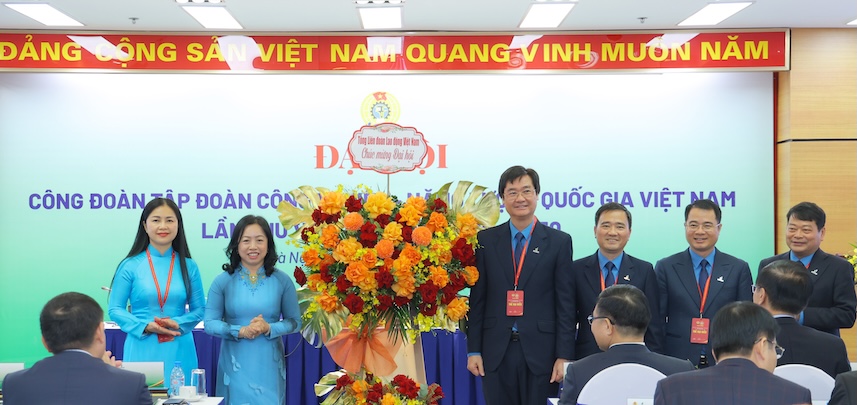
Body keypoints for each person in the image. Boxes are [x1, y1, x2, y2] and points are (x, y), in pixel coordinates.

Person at [467, 165, 574, 405]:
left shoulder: (558, 242)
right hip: (495, 351)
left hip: (542, 352)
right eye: (512, 192)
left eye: (526, 191)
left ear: (537, 195)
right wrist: (473, 350)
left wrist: (564, 356)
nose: (520, 198)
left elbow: (565, 303)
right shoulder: (485, 241)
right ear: (503, 198)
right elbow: (478, 299)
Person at [204, 215, 301, 404]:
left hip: (269, 366)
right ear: (236, 245)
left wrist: (269, 328)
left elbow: (295, 322)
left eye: (259, 240)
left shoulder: (282, 280)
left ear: (268, 244)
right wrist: (239, 330)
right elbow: (209, 324)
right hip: (234, 366)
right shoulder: (222, 281)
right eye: (246, 241)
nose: (253, 247)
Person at [108, 197, 205, 381]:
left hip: (179, 345)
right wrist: (144, 326)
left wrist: (178, 323)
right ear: (145, 225)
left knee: (182, 398)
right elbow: (115, 309)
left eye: (169, 220)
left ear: (178, 225)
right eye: (156, 220)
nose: (163, 226)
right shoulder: (130, 265)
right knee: (145, 398)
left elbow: (200, 310)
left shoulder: (189, 266)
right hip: (142, 346)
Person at [2, 292, 152, 404]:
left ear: (45, 342)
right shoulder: (131, 384)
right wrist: (113, 374)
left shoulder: (14, 384)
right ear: (100, 332)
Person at [654, 199, 753, 367]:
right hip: (676, 359)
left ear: (719, 228)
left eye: (707, 225)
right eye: (693, 225)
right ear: (685, 226)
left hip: (724, 358)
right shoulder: (666, 267)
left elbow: (745, 321)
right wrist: (658, 358)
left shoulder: (738, 268)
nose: (700, 231)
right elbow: (657, 320)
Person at [653, 302, 812, 405]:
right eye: (775, 349)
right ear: (762, 346)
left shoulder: (670, 389)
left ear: (714, 352)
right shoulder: (795, 396)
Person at [559, 285, 693, 405]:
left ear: (607, 326)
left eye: (592, 319)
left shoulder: (579, 371)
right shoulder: (681, 370)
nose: (592, 325)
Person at [570, 202, 664, 359]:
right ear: (595, 230)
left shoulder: (644, 270)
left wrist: (653, 360)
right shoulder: (576, 269)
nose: (612, 232)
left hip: (633, 359)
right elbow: (567, 318)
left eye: (620, 226)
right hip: (587, 358)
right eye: (606, 226)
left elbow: (653, 325)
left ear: (629, 232)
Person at [758, 202, 857, 336]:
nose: (797, 235)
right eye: (792, 229)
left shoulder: (839, 267)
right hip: (775, 343)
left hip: (820, 346)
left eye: (806, 230)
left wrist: (800, 315)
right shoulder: (769, 264)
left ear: (821, 233)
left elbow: (846, 315)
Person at [753, 260, 851, 377]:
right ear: (805, 303)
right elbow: (845, 392)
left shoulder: (742, 345)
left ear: (761, 295)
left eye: (755, 289)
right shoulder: (834, 346)